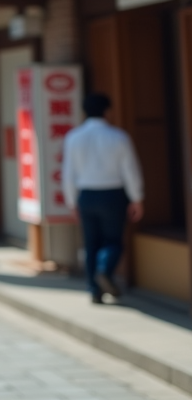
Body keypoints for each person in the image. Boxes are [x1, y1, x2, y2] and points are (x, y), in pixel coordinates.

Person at [62, 92, 145, 303]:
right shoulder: (118, 136)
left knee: (91, 243)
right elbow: (130, 170)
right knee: (113, 240)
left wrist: (71, 201)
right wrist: (136, 197)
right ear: (107, 111)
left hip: (86, 195)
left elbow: (68, 173)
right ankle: (105, 270)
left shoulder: (73, 137)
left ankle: (94, 289)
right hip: (113, 194)